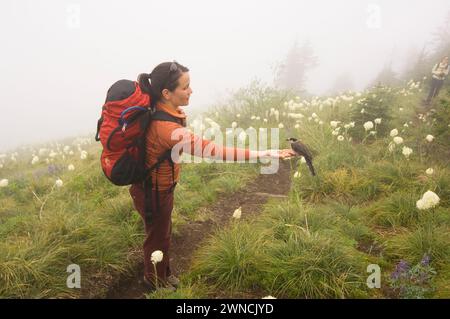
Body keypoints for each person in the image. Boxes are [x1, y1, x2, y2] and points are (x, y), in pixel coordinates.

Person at [129, 61, 295, 291]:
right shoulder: (167, 129)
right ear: (166, 93)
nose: (191, 91)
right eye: (185, 87)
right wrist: (263, 152)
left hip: (157, 187)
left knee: (162, 233)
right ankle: (154, 282)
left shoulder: (163, 109)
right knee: (157, 237)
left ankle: (163, 273)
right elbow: (215, 151)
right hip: (154, 191)